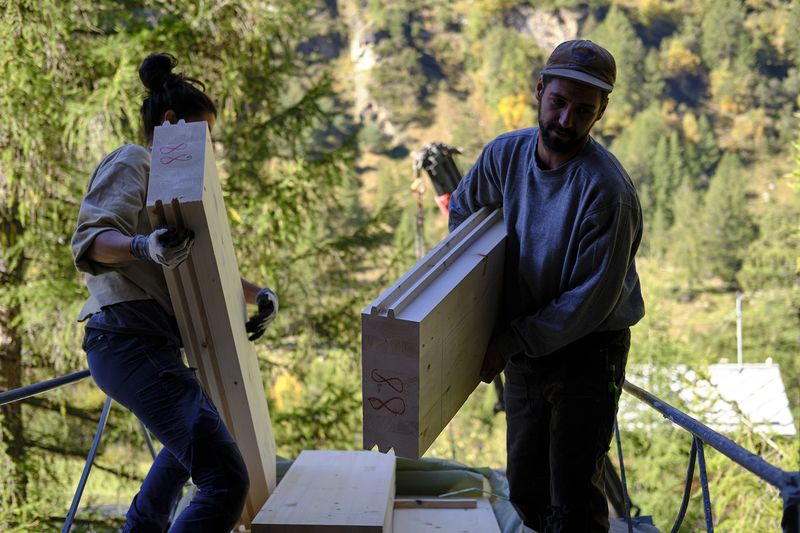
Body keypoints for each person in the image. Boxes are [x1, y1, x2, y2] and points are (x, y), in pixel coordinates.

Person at [70, 53, 278, 532]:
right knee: (225, 478)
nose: (208, 150)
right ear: (170, 123)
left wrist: (258, 294)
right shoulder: (135, 159)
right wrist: (142, 245)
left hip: (145, 347)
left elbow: (200, 265)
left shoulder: (174, 191)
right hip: (127, 341)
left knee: (180, 457)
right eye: (203, 136)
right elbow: (90, 240)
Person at [448, 40, 645, 533]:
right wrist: (473, 317)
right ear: (539, 90)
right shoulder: (503, 156)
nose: (565, 120)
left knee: (574, 495)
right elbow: (462, 223)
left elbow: (589, 304)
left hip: (588, 349)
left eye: (583, 110)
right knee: (526, 487)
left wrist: (508, 341)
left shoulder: (607, 193)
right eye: (558, 102)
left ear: (601, 112)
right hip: (525, 342)